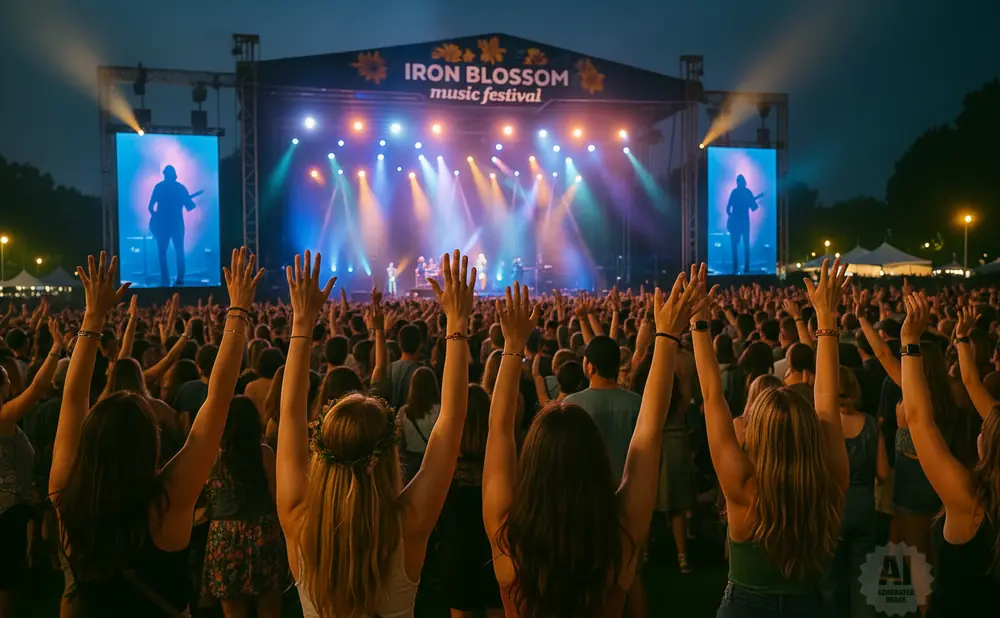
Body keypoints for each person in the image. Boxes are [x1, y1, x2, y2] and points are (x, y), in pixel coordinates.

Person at [50, 248, 262, 616]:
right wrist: (239, 310)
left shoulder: (66, 497)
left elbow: (72, 398)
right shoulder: (167, 504)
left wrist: (93, 316)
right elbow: (218, 400)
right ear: (150, 444)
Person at [482, 270, 698, 617]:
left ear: (533, 462)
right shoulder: (620, 536)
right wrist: (667, 336)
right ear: (595, 458)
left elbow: (499, 432)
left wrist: (512, 349)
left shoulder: (508, 538)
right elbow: (648, 431)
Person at [276, 249, 476, 617]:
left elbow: (288, 415)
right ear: (385, 457)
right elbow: (451, 419)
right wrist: (457, 323)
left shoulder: (298, 522)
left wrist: (302, 323)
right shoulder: (408, 526)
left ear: (319, 455)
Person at [690, 258, 849, 616]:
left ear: (756, 432)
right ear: (810, 433)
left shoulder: (742, 486)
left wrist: (699, 323)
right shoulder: (830, 483)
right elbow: (826, 402)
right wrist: (826, 319)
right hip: (808, 606)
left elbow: (712, 396)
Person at [903, 299, 1000, 615]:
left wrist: (910, 342)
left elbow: (917, 418)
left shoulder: (969, 500)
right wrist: (960, 340)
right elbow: (971, 383)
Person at [148, 165, 201, 286]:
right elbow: (190, 207)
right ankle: (180, 279)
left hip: (162, 226)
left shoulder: (159, 187)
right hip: (176, 225)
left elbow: (150, 207)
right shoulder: (180, 188)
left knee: (162, 253)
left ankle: (165, 279)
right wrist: (188, 200)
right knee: (179, 252)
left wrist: (156, 217)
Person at [725, 174, 762, 275]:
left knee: (734, 247)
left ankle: (735, 268)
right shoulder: (747, 192)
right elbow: (754, 208)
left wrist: (732, 216)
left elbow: (728, 208)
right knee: (746, 245)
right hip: (745, 222)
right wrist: (753, 202)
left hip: (735, 223)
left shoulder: (734, 192)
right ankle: (746, 268)